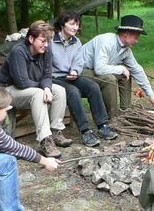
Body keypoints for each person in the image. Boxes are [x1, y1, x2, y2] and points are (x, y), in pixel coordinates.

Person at [0, 20, 71, 157]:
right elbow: (22, 82)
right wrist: (44, 88)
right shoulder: (18, 51)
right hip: (6, 91)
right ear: (31, 39)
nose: (46, 44)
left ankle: (56, 131)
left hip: (32, 87)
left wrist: (47, 88)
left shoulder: (46, 51)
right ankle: (45, 140)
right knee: (38, 94)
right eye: (43, 41)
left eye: (48, 41)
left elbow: (47, 75)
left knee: (59, 90)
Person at [50, 11, 118, 148]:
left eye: (77, 24)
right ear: (62, 24)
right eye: (72, 24)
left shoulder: (76, 42)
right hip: (53, 78)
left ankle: (102, 125)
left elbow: (79, 61)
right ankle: (85, 130)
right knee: (73, 91)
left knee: (93, 87)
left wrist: (75, 71)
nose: (75, 27)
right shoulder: (51, 41)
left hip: (71, 76)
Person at [82, 14, 154, 118]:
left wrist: (151, 94)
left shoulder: (126, 50)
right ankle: (112, 116)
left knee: (126, 73)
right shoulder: (106, 42)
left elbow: (137, 70)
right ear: (126, 34)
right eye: (136, 37)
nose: (137, 41)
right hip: (80, 72)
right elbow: (99, 69)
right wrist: (121, 68)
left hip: (95, 71)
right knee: (110, 79)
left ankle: (126, 109)